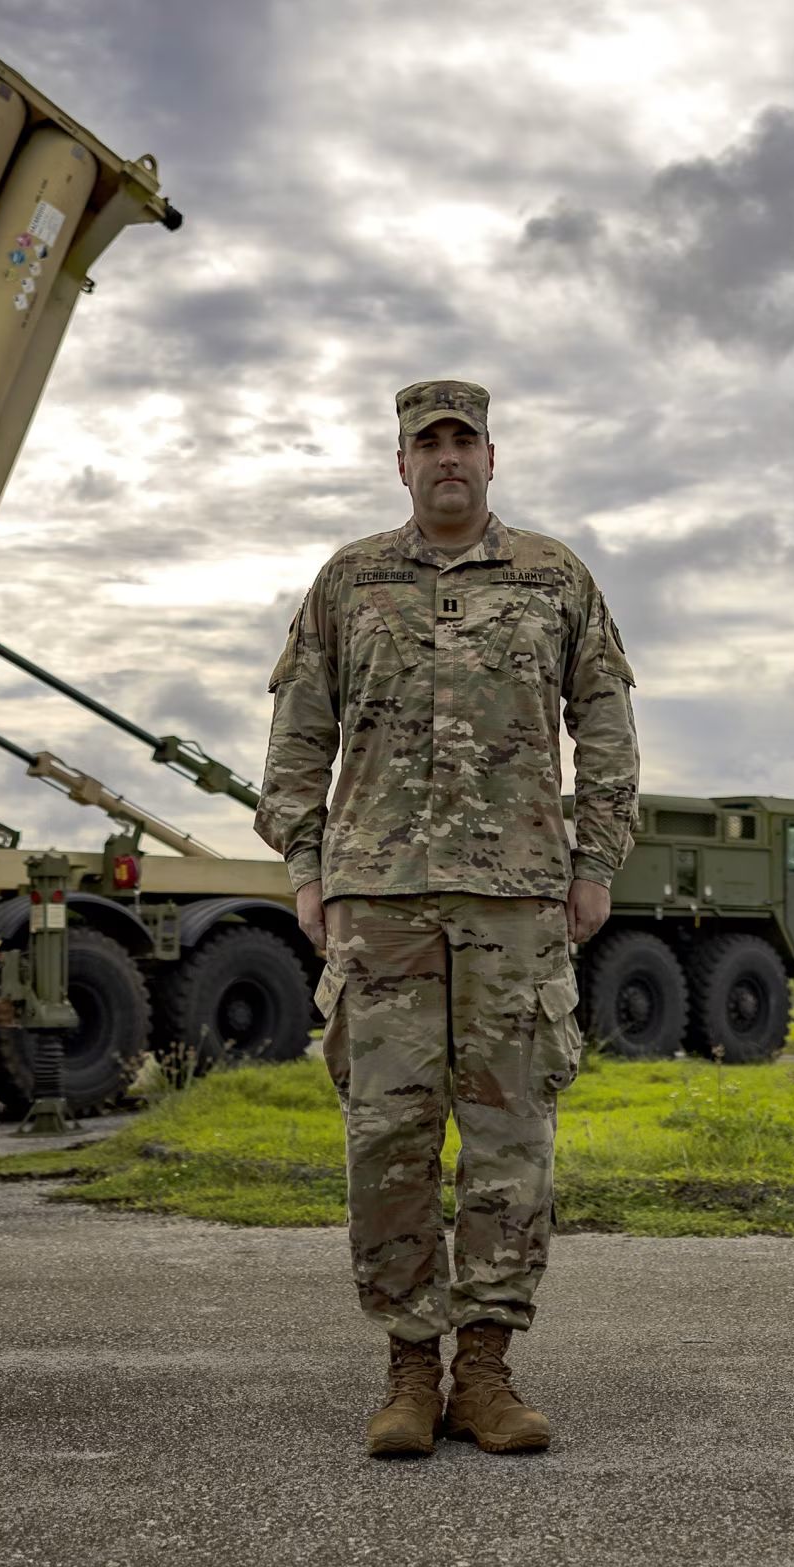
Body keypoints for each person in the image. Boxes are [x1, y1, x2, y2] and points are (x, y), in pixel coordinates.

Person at [256, 377, 640, 1458]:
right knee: (388, 1135)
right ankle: (410, 1367)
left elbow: (605, 725)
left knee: (512, 1138)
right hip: (378, 899)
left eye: (463, 439)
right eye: (426, 443)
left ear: (490, 454)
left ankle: (487, 1365)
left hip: (517, 898)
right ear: (401, 464)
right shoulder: (350, 579)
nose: (447, 458)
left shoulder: (553, 575)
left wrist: (595, 857)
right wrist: (306, 865)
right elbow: (298, 738)